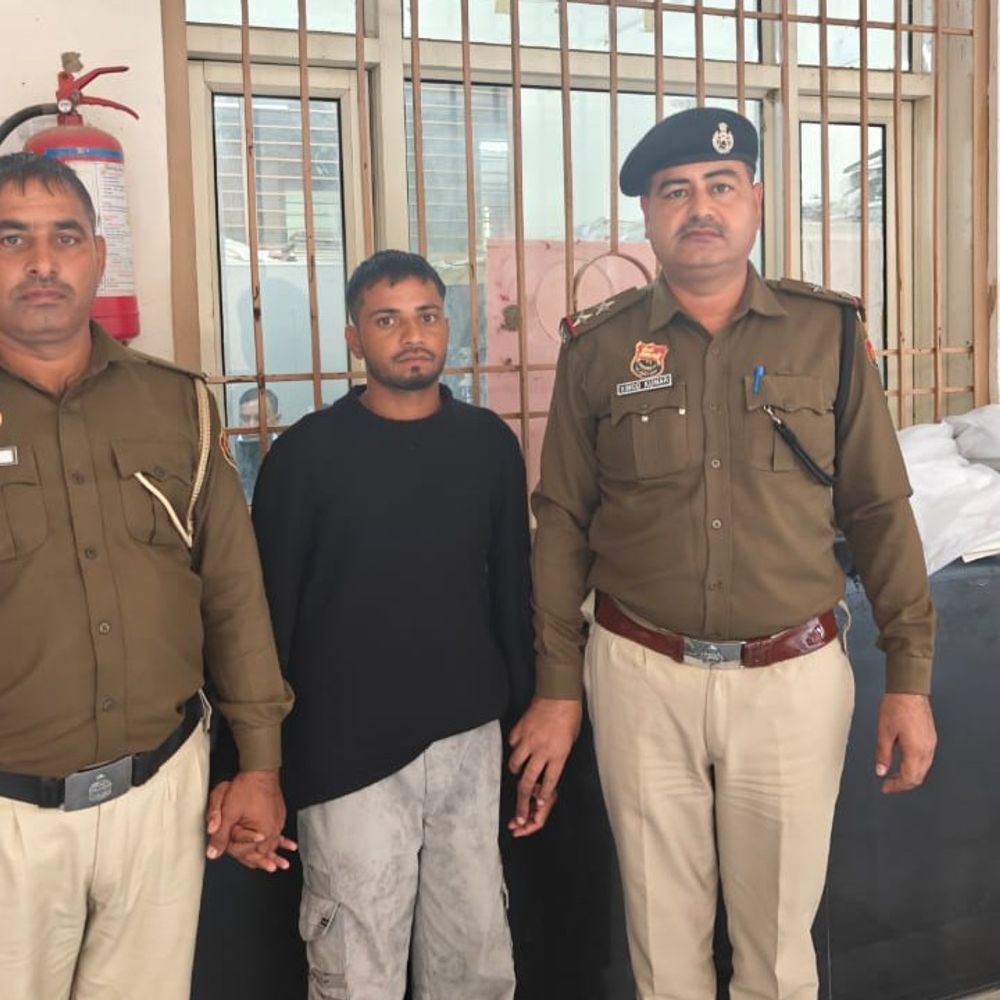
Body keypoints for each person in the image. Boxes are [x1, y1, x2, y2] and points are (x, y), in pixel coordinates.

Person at [506, 108, 938, 998]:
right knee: (663, 950)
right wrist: (557, 687)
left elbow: (879, 510)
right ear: (649, 215)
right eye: (675, 193)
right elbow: (562, 523)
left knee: (777, 953)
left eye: (719, 187)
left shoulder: (826, 333)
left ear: (757, 200)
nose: (699, 208)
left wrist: (910, 675)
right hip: (640, 675)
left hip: (792, 679)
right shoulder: (599, 347)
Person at [0, 152, 294, 1000]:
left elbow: (232, 592)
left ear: (99, 255)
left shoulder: (175, 403)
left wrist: (260, 763)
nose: (42, 262)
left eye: (65, 237)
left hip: (160, 798)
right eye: (12, 238)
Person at [251, 249, 533, 1000]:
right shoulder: (304, 457)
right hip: (345, 753)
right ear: (354, 339)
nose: (412, 335)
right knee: (356, 968)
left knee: (475, 960)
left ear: (447, 325)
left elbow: (513, 593)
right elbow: (267, 619)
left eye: (426, 315)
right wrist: (256, 761)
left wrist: (527, 717)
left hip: (469, 740)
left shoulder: (488, 445)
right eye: (387, 320)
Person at [234, 385, 280, 499]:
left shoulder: (291, 451)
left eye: (259, 418)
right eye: (245, 418)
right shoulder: (227, 450)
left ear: (277, 420)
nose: (252, 425)